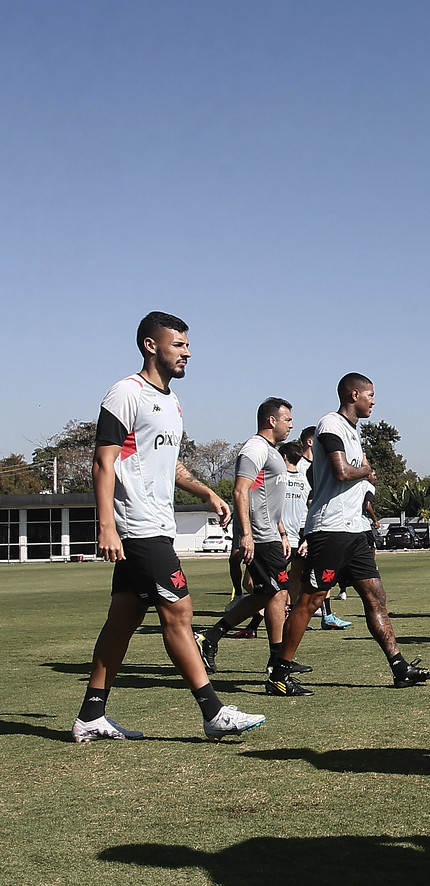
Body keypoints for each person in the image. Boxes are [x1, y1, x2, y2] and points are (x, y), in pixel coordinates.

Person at [72, 311, 266, 742]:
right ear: (150, 345)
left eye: (186, 344)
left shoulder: (171, 401)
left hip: (157, 523)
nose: (187, 352)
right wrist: (107, 525)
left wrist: (205, 493)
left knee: (121, 623)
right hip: (138, 528)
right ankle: (213, 712)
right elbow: (104, 460)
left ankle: (90, 715)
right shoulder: (126, 393)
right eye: (178, 344)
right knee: (179, 613)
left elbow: (170, 464)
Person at [275, 373, 430, 692]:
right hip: (331, 529)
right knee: (310, 602)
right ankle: (278, 674)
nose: (374, 401)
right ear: (353, 395)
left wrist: (365, 478)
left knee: (376, 597)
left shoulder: (353, 431)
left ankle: (399, 667)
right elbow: (341, 472)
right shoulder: (331, 425)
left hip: (356, 531)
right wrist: (366, 471)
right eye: (370, 395)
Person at [198, 399, 303, 677]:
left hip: (270, 535)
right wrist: (246, 535)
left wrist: (281, 532)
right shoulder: (255, 448)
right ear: (272, 421)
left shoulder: (271, 451)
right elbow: (240, 491)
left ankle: (210, 637)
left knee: (267, 594)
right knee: (278, 593)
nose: (291, 425)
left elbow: (268, 497)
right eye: (287, 419)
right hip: (258, 536)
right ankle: (277, 660)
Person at [288, 425, 354, 630]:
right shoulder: (298, 466)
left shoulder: (316, 466)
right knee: (298, 574)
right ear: (311, 442)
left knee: (317, 574)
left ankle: (325, 615)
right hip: (301, 527)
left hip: (311, 526)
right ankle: (289, 613)